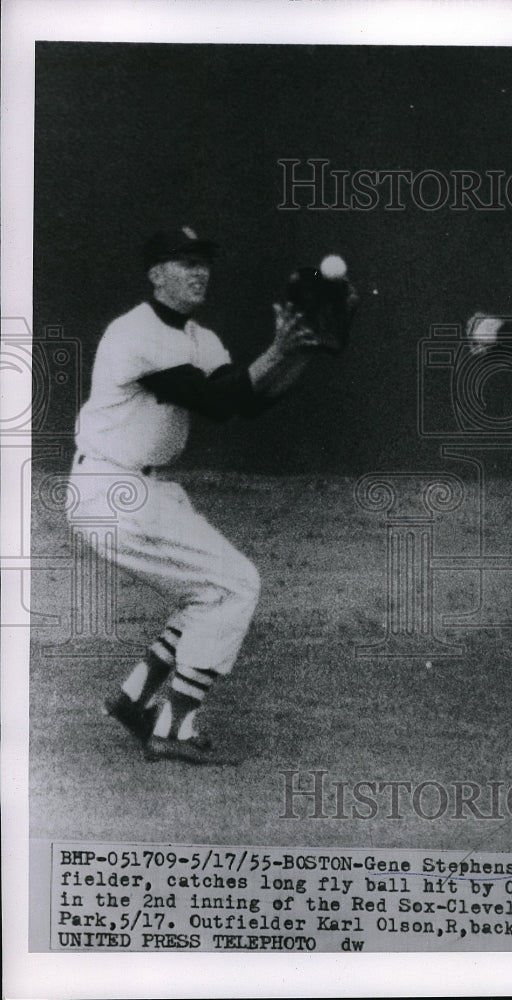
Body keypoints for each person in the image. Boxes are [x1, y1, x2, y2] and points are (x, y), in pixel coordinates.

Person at [68, 226, 347, 763]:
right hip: (111, 488)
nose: (199, 271)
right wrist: (277, 347)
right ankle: (173, 730)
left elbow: (245, 404)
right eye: (184, 261)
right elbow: (212, 397)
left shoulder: (202, 338)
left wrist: (304, 351)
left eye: (204, 261)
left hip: (140, 489)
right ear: (156, 275)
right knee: (236, 584)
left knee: (208, 591)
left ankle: (134, 700)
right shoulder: (133, 334)